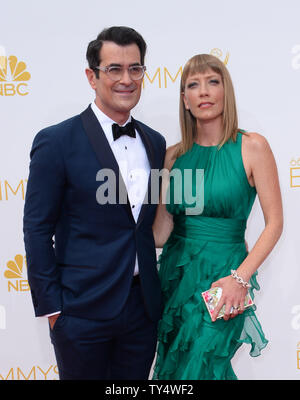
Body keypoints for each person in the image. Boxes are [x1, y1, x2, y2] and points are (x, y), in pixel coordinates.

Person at [23, 26, 166, 380]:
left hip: (140, 310)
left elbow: (145, 226)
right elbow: (37, 229)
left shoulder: (155, 142)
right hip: (80, 311)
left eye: (135, 68)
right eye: (113, 69)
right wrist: (54, 309)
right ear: (92, 76)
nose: (126, 79)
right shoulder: (57, 141)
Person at [152, 54, 283, 380]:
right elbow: (160, 232)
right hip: (176, 279)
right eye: (193, 85)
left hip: (225, 280)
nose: (203, 91)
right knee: (174, 370)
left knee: (200, 366)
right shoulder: (173, 156)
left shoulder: (252, 147)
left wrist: (240, 279)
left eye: (213, 81)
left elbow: (275, 223)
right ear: (185, 99)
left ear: (226, 90)